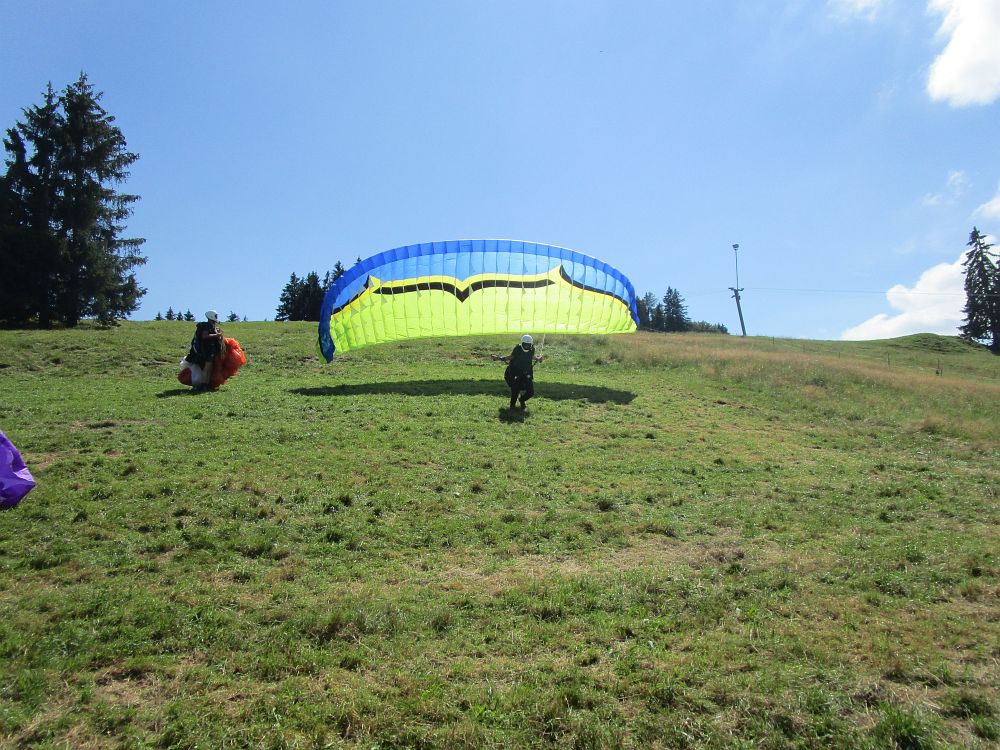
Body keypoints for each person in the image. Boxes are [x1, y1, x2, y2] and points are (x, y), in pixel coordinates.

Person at [498, 334, 543, 410]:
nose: (526, 346)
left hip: (527, 372)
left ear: (530, 344)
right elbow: (511, 356)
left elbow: (531, 356)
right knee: (515, 389)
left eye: (528, 345)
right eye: (525, 344)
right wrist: (501, 358)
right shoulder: (518, 349)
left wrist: (538, 358)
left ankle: (522, 400)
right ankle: (512, 406)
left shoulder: (532, 349)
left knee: (530, 392)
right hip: (516, 372)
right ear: (522, 343)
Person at [187, 310, 225, 390]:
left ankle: (207, 384)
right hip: (206, 350)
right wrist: (217, 335)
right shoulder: (206, 326)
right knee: (207, 367)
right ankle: (204, 384)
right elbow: (204, 336)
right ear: (211, 317)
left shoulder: (211, 327)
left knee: (209, 367)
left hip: (210, 350)